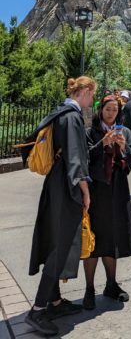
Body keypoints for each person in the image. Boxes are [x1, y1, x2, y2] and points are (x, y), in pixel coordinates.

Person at [26, 76, 97, 337]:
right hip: (67, 187)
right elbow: (75, 158)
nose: (92, 102)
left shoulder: (59, 113)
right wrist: (85, 191)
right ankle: (38, 308)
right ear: (86, 91)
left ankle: (54, 302)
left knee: (57, 240)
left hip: (55, 184)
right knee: (62, 244)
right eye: (92, 95)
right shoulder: (72, 116)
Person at [82, 95, 131, 310]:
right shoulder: (90, 132)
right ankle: (89, 288)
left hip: (117, 191)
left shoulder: (124, 131)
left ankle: (111, 284)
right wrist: (102, 144)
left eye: (115, 110)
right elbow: (83, 158)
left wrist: (123, 149)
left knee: (112, 238)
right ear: (100, 110)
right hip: (97, 191)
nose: (111, 113)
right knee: (94, 239)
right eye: (108, 109)